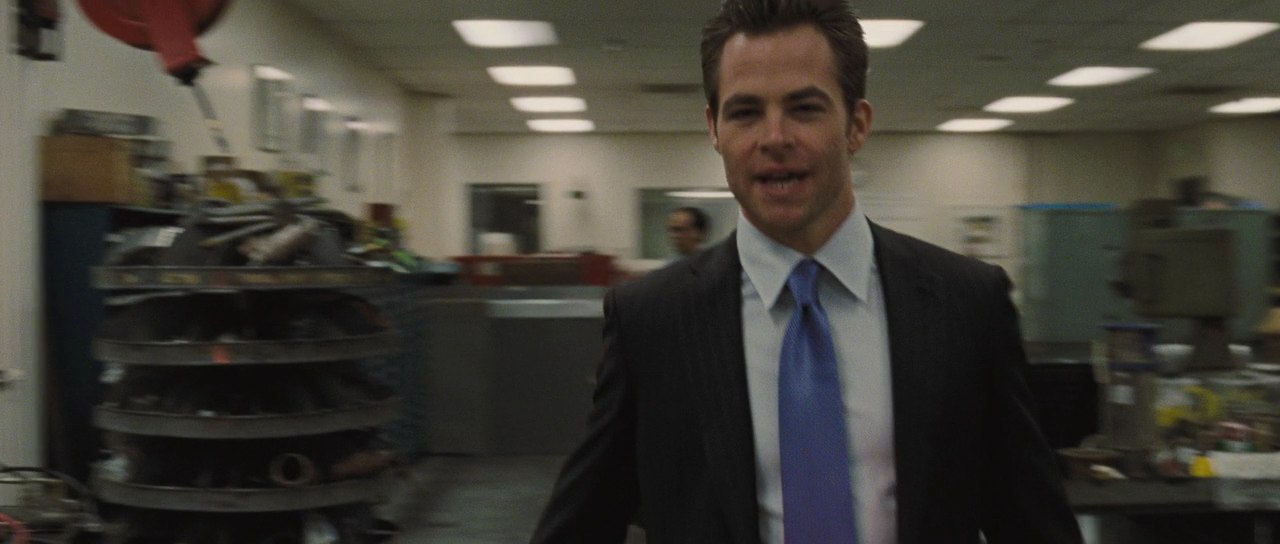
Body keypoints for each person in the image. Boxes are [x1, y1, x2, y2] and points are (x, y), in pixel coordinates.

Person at [530, 0, 1083, 542]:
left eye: (804, 108)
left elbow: (1031, 521)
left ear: (857, 125)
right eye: (745, 112)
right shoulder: (651, 320)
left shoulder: (965, 304)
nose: (774, 138)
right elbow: (583, 521)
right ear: (715, 129)